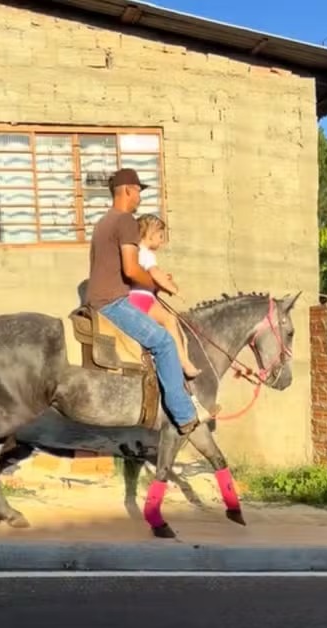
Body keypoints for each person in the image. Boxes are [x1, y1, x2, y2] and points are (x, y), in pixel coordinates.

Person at [84, 168, 211, 436]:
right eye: (138, 190)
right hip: (111, 302)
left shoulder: (102, 222)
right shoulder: (126, 221)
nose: (140, 196)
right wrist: (154, 284)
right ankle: (185, 414)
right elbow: (131, 270)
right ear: (127, 190)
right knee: (164, 342)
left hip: (97, 297)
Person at [127, 213, 202, 379]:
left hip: (138, 297)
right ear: (150, 234)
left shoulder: (134, 252)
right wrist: (174, 289)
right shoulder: (146, 254)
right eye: (160, 236)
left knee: (166, 322)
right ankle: (184, 362)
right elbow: (156, 274)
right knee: (170, 320)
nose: (162, 241)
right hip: (142, 299)